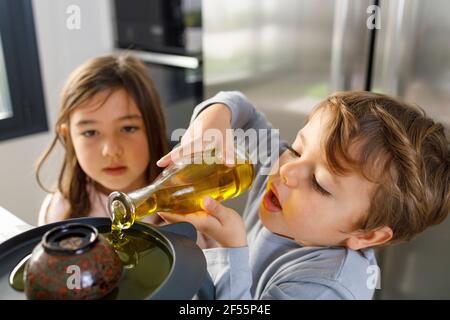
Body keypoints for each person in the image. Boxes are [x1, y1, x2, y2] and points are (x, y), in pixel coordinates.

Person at [156, 91, 450, 299]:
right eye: (298, 148)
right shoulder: (285, 174)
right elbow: (243, 111)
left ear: (368, 235)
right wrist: (214, 121)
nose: (288, 169)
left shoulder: (326, 288)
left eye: (320, 183)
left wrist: (233, 249)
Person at [36, 54, 168, 226]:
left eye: (128, 128)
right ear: (68, 137)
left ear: (153, 129)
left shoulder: (188, 202)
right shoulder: (58, 210)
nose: (111, 150)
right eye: (91, 132)